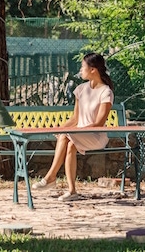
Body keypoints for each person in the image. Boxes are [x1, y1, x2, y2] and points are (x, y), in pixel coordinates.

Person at [35, 52, 115, 200]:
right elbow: (75, 118)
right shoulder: (81, 89)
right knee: (70, 144)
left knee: (67, 136)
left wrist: (72, 131)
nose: (80, 70)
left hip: (96, 136)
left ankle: (50, 177)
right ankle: (72, 192)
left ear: (93, 70)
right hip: (77, 133)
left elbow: (99, 123)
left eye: (83, 66)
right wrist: (61, 129)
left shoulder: (106, 92)